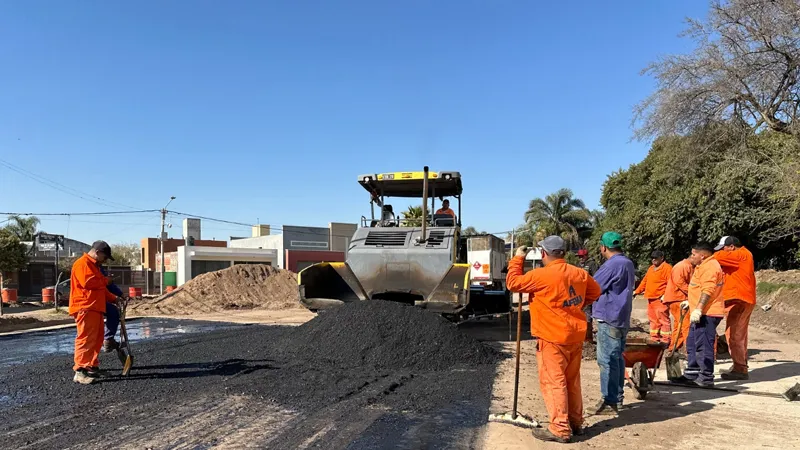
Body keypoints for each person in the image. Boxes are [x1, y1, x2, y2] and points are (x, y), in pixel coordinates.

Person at [506, 236, 601, 443]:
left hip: (551, 338)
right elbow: (595, 292)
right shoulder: (579, 273)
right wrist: (573, 305)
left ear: (543, 253)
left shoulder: (540, 275)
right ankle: (576, 423)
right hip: (575, 335)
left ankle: (560, 428)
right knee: (572, 381)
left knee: (554, 382)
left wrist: (517, 259)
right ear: (563, 253)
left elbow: (513, 283)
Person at [589, 231, 636, 416]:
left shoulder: (611, 265)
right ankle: (617, 398)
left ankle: (610, 401)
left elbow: (593, 287)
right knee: (617, 359)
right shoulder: (628, 263)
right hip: (621, 317)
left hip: (609, 317)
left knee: (607, 360)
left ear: (603, 247)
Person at [675, 242, 725, 387]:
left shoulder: (710, 267)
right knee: (692, 342)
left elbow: (707, 290)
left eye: (694, 254)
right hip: (700, 311)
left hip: (708, 313)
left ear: (702, 255)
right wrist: (691, 304)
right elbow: (699, 288)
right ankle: (692, 373)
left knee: (703, 345)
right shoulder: (702, 266)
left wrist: (699, 309)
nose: (692, 256)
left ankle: (706, 377)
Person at [69, 240, 116, 385]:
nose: (105, 260)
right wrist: (106, 280)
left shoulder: (94, 266)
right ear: (98, 252)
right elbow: (89, 283)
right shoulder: (82, 264)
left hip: (94, 308)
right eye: (105, 257)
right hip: (85, 307)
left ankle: (91, 366)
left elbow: (99, 289)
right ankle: (80, 371)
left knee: (96, 339)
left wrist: (114, 298)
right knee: (86, 339)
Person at [713, 236, 756, 380]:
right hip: (742, 300)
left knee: (733, 335)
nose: (722, 252)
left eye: (724, 249)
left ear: (731, 247)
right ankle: (740, 364)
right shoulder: (742, 256)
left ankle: (740, 369)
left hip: (739, 301)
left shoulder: (739, 255)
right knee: (740, 335)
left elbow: (715, 257)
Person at [634, 251, 673, 344]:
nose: (653, 260)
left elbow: (670, 283)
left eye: (655, 258)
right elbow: (645, 281)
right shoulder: (651, 268)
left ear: (662, 258)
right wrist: (636, 291)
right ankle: (655, 337)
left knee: (663, 319)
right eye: (652, 258)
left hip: (660, 299)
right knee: (653, 319)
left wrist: (665, 295)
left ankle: (665, 339)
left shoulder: (667, 268)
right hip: (651, 298)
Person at [663, 256, 694, 353]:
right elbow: (679, 282)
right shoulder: (683, 266)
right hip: (678, 299)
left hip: (677, 298)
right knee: (686, 325)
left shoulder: (684, 266)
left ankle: (674, 348)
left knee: (679, 325)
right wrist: (693, 293)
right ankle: (690, 350)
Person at [98, 264, 123, 352]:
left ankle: (107, 339)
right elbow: (105, 285)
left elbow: (106, 287)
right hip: (92, 302)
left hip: (94, 301)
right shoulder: (93, 267)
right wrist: (118, 296)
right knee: (113, 312)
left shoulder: (97, 267)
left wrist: (116, 296)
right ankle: (108, 339)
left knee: (112, 311)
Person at [576, 249, 599, 342]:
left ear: (586, 256)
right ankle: (580, 335)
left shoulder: (592, 264)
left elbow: (596, 278)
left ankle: (588, 337)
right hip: (578, 293)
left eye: (582, 257)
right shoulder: (578, 265)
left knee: (587, 314)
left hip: (587, 293)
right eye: (579, 257)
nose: (581, 259)